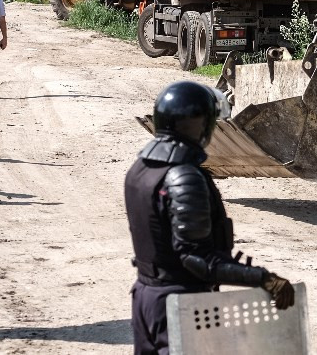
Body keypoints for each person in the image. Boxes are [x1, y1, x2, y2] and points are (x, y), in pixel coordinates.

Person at [125, 81, 295, 355]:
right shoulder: (183, 177)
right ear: (199, 126)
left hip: (146, 297)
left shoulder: (141, 168)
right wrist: (263, 279)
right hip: (180, 304)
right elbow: (196, 259)